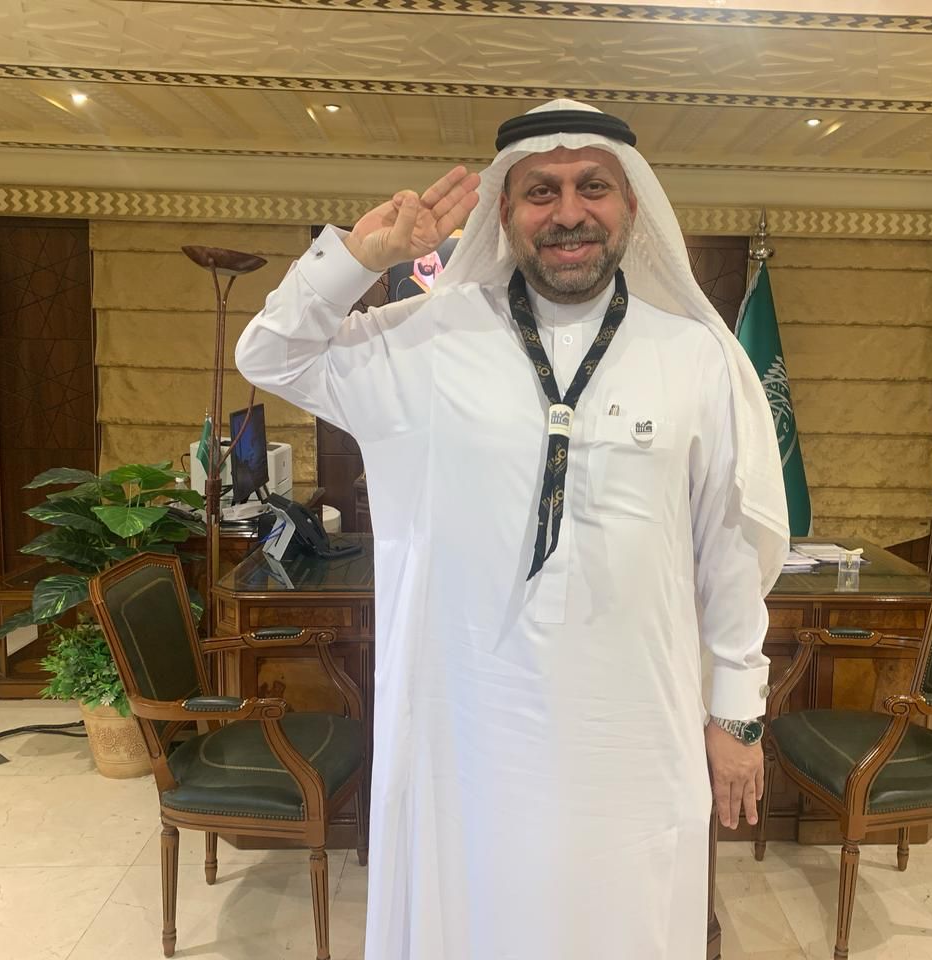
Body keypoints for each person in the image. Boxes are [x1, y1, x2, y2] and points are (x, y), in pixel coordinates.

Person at [235, 98, 789, 960]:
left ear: (631, 205)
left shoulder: (696, 358)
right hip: (469, 739)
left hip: (638, 734)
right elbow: (270, 356)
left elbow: (729, 550)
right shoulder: (425, 341)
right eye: (541, 191)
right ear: (504, 210)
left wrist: (739, 716)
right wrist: (357, 259)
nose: (568, 212)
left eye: (592, 187)